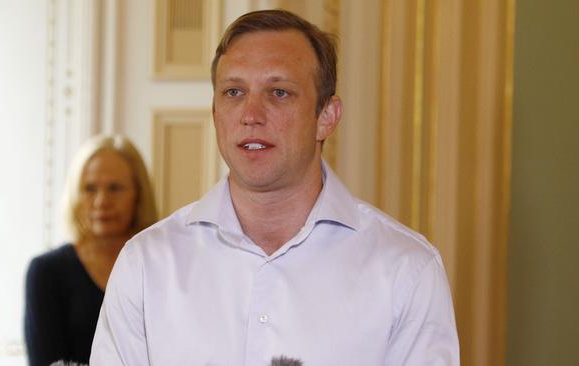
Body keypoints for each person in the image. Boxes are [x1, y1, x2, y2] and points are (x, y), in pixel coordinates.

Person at [91, 9, 459, 365]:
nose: (251, 114)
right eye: (234, 92)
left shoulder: (406, 270)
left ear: (326, 117)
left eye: (279, 92)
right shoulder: (146, 264)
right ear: (215, 113)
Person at [24, 134, 157, 366]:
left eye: (115, 188)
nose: (101, 201)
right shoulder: (47, 272)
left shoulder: (161, 265)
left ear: (138, 194)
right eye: (89, 188)